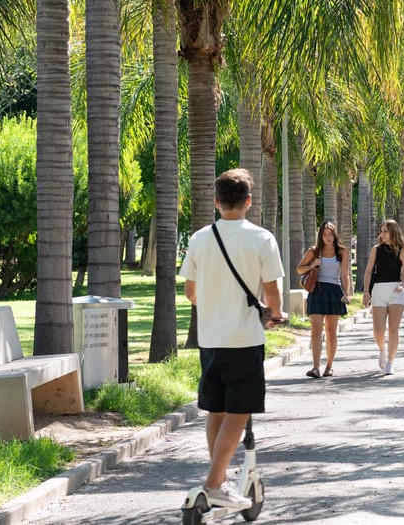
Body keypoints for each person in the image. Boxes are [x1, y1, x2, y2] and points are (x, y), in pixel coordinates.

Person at [180, 169, 285, 508]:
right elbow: (272, 292)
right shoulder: (261, 238)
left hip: (210, 338)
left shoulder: (199, 239)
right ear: (249, 202)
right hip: (244, 338)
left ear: (216, 201)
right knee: (238, 413)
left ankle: (220, 480)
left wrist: (215, 300)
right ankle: (213, 483)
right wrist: (275, 315)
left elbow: (190, 292)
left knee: (216, 409)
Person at [296, 221, 352, 378]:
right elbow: (299, 269)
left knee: (331, 331)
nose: (328, 237)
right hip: (317, 290)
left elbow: (345, 275)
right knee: (316, 329)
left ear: (335, 235)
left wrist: (346, 293)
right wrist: (312, 264)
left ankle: (329, 366)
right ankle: (315, 367)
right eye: (324, 234)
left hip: (334, 291)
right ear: (320, 236)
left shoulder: (342, 252)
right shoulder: (314, 251)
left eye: (330, 234)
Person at [362, 220, 404, 375]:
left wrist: (403, 285)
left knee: (393, 329)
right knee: (378, 330)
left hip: (395, 291)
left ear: (393, 232)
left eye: (385, 231)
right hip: (378, 291)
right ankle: (382, 350)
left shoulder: (402, 251)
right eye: (381, 231)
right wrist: (365, 291)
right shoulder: (376, 250)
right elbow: (369, 271)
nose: (382, 234)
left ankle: (390, 362)